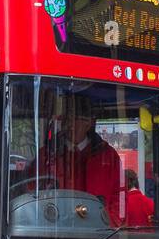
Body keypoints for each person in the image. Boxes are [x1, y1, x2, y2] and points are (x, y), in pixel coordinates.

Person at [36, 94, 123, 224]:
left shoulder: (109, 157)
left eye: (75, 119)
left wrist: (106, 225)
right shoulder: (45, 155)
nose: (69, 125)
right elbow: (32, 193)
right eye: (66, 119)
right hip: (54, 232)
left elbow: (120, 198)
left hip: (98, 235)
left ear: (88, 124)